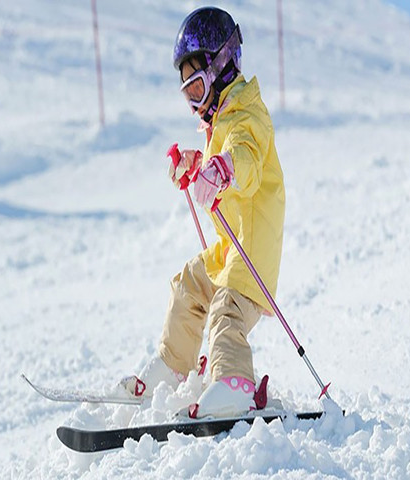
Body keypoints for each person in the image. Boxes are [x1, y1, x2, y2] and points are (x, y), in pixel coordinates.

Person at [122, 7, 285, 419]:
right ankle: (173, 365)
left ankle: (235, 386)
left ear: (223, 66)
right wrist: (197, 165)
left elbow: (245, 160)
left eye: (197, 88)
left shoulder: (248, 118)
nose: (195, 103)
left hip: (253, 255)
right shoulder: (223, 121)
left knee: (225, 313)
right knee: (190, 285)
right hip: (231, 249)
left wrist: (225, 168)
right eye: (188, 94)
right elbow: (219, 163)